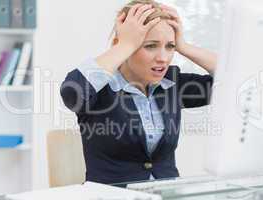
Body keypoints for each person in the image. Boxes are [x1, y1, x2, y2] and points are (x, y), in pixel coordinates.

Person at [60, 0, 217, 186]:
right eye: (150, 46)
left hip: (166, 194)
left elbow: (233, 81)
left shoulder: (172, 83)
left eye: (169, 47)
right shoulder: (99, 88)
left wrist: (183, 46)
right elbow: (71, 92)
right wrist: (124, 45)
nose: (163, 58)